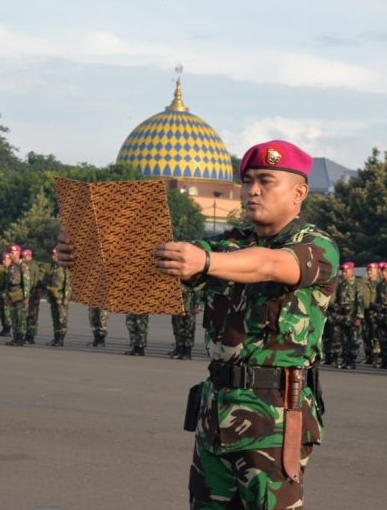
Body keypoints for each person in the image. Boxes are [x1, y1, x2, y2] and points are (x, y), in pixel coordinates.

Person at [55, 140, 340, 509]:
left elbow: (269, 265)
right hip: (215, 412)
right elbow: (159, 258)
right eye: (248, 180)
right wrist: (85, 251)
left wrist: (204, 261)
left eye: (266, 181)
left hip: (273, 417)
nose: (252, 190)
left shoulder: (317, 246)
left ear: (299, 192)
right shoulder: (229, 244)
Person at [328, 262, 364, 369]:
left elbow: (360, 303)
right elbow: (338, 301)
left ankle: (352, 361)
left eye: (346, 272)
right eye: (343, 272)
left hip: (352, 317)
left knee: (353, 340)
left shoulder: (357, 286)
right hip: (343, 318)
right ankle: (345, 360)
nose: (344, 274)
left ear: (352, 272)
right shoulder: (341, 285)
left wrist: (358, 317)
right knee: (344, 340)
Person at [4, 244, 30, 347]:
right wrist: (7, 295)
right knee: (13, 317)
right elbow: (7, 282)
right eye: (9, 252)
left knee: (21, 317)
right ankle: (15, 337)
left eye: (12, 252)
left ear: (18, 254)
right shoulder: (11, 266)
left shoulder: (22, 266)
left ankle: (21, 338)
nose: (10, 254)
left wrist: (26, 296)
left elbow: (26, 282)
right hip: (12, 294)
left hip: (20, 294)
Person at [45, 248, 71, 347]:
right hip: (53, 297)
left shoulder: (65, 267)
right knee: (55, 318)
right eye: (53, 255)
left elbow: (68, 283)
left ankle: (61, 339)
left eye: (55, 255)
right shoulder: (53, 267)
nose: (53, 257)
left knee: (62, 319)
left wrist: (66, 297)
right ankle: (55, 338)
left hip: (61, 297)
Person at [170, 286, 201, 359]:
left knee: (189, 330)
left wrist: (197, 305)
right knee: (178, 329)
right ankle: (180, 350)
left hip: (189, 308)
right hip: (177, 308)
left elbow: (197, 291)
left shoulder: (191, 280)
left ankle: (187, 352)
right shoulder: (175, 281)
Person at [361, 262, 380, 364]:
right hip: (366, 312)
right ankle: (368, 355)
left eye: (371, 270)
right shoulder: (365, 283)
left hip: (375, 313)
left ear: (377, 271)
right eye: (368, 270)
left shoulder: (380, 284)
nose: (369, 272)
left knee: (375, 335)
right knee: (366, 334)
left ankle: (376, 355)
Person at [22, 249, 41, 344]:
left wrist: (38, 297)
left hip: (32, 294)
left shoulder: (34, 267)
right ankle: (25, 335)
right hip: (24, 295)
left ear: (30, 256)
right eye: (23, 256)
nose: (24, 257)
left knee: (32, 316)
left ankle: (31, 336)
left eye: (26, 256)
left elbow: (38, 282)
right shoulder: (22, 265)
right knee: (24, 316)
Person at [0, 252, 13, 337]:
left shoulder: (12, 269)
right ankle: (4, 328)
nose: (3, 261)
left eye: (5, 259)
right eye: (3, 259)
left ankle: (8, 329)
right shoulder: (1, 269)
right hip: (1, 294)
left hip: (9, 295)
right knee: (1, 311)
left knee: (7, 312)